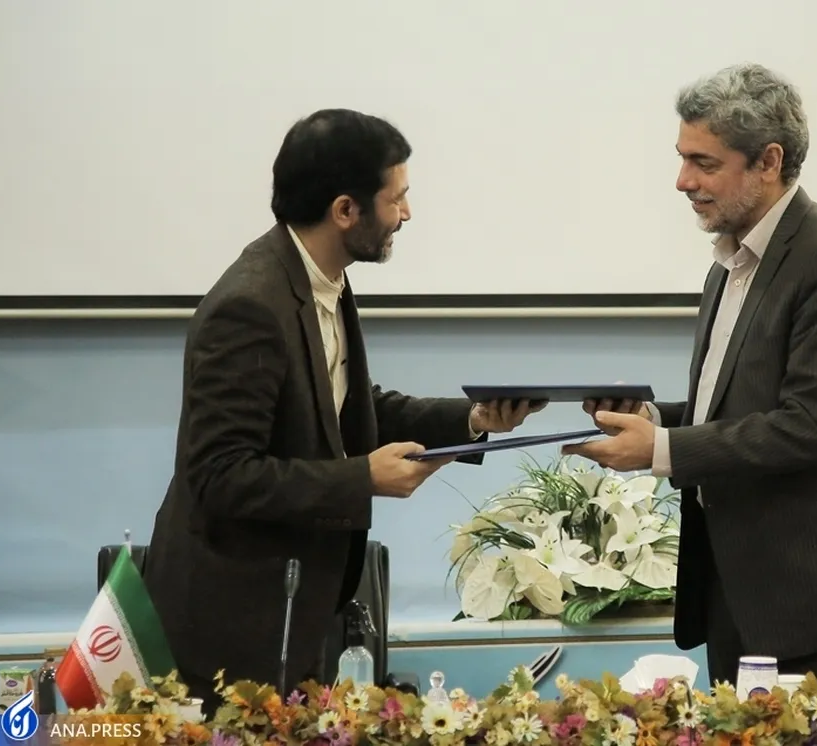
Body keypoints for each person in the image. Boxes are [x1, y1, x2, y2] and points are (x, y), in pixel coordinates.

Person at [143, 109, 543, 708]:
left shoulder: (319, 280)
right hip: (230, 633)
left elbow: (347, 410)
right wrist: (363, 479)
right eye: (396, 198)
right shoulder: (249, 307)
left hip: (293, 616)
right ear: (345, 210)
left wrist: (472, 421)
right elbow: (220, 475)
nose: (407, 214)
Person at [564, 64, 817, 692]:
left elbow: (809, 427)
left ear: (769, 161)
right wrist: (653, 420)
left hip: (816, 603)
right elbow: (736, 406)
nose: (683, 181)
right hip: (737, 590)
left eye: (704, 163)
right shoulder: (731, 262)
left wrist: (662, 449)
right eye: (682, 159)